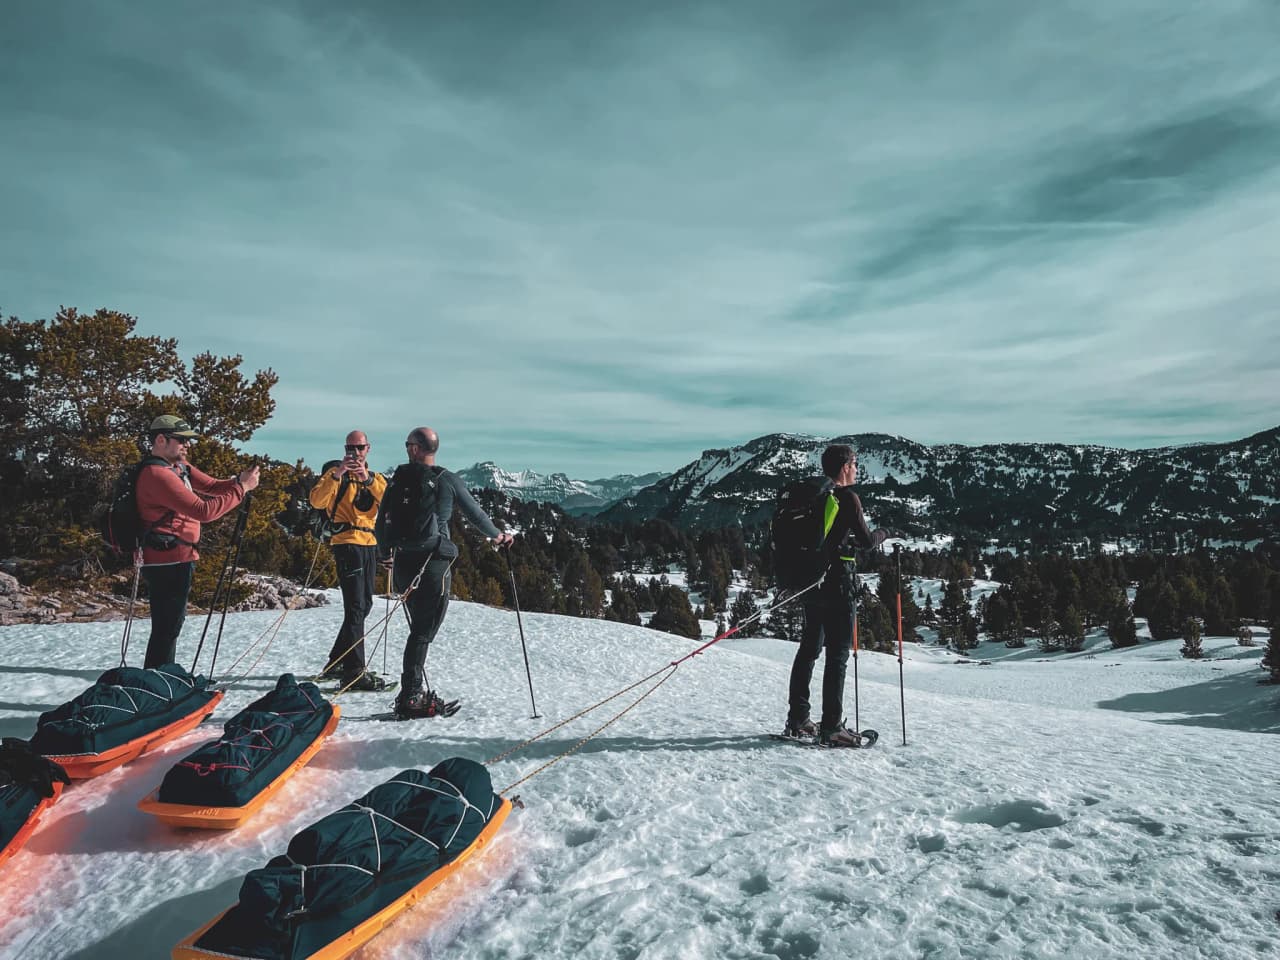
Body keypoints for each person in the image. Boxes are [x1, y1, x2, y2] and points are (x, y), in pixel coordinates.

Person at [375, 427, 513, 719]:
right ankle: (411, 696)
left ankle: (412, 692)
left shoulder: (396, 480)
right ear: (433, 449)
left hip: (402, 564)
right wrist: (498, 537)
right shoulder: (446, 480)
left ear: (414, 449)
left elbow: (380, 522)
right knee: (423, 632)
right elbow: (476, 515)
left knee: (418, 630)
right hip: (433, 564)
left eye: (407, 444)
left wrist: (384, 554)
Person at [134, 415, 260, 670]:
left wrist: (238, 482)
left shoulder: (178, 468)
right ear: (161, 439)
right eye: (182, 440)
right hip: (166, 560)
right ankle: (157, 682)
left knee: (170, 625)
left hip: (177, 557)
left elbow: (213, 487)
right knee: (167, 627)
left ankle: (160, 679)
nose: (187, 445)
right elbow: (204, 511)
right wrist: (242, 489)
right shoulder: (158, 475)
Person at [784, 443, 887, 747]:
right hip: (839, 584)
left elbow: (827, 540)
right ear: (844, 466)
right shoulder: (847, 497)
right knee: (838, 655)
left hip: (813, 581)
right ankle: (832, 727)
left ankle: (798, 719)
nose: (857, 469)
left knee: (809, 650)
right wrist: (888, 532)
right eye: (855, 463)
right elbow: (868, 541)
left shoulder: (816, 497)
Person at [309, 430, 390, 691]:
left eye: (360, 447)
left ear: (368, 449)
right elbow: (317, 501)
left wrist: (366, 479)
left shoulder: (376, 479)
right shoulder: (335, 475)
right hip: (347, 543)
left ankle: (338, 662)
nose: (355, 452)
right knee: (356, 607)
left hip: (369, 545)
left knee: (364, 605)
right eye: (350, 447)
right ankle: (354, 671)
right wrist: (338, 473)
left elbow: (387, 504)